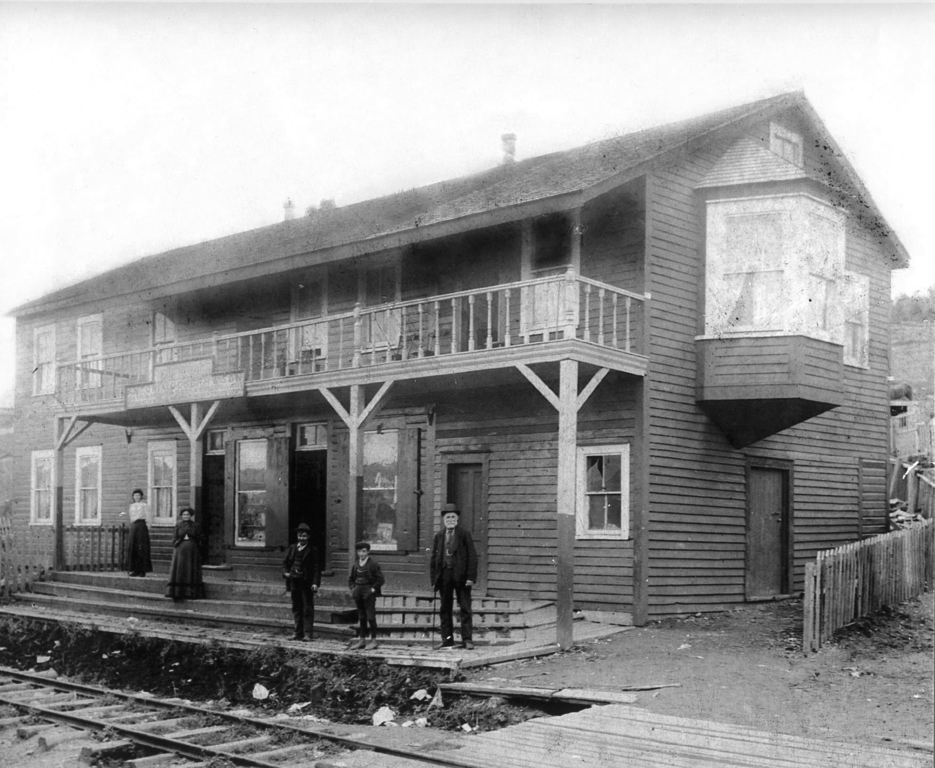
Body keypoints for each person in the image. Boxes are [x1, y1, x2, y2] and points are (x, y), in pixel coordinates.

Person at [429, 503, 478, 650]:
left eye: (453, 517)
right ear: (444, 519)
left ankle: (467, 640)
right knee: (445, 609)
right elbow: (434, 559)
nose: (450, 519)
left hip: (462, 578)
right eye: (447, 517)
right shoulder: (438, 536)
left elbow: (472, 557)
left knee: (465, 608)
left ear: (457, 519)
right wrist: (434, 579)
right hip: (444, 577)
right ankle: (447, 639)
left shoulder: (464, 534)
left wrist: (470, 577)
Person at [282, 522, 322, 641]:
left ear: (308, 537)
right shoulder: (292, 548)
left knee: (307, 609)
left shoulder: (313, 550)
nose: (301, 538)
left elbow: (316, 569)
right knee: (296, 608)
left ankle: (308, 634)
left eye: (304, 536)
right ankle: (297, 632)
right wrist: (285, 572)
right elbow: (285, 563)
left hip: (307, 583)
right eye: (300, 535)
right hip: (294, 582)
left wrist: (315, 583)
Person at [347, 541, 384, 650]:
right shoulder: (356, 564)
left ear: (368, 552)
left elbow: (380, 579)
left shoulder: (373, 564)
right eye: (359, 551)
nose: (361, 554)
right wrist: (353, 589)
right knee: (362, 617)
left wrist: (372, 590)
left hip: (368, 593)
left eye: (364, 551)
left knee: (371, 617)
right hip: (358, 592)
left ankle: (374, 641)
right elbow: (351, 579)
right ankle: (362, 641)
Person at [165, 507, 205, 600]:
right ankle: (178, 592)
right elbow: (174, 537)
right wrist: (176, 543)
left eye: (187, 515)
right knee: (180, 568)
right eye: (184, 515)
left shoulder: (195, 525)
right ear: (181, 516)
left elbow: (200, 537)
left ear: (190, 516)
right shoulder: (178, 525)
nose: (186, 516)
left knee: (190, 568)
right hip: (180, 549)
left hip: (192, 549)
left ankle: (190, 593)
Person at [121, 488, 153, 577]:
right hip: (134, 527)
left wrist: (146, 528)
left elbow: (149, 517)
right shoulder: (132, 506)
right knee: (134, 548)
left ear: (141, 496)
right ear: (133, 497)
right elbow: (132, 518)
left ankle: (142, 570)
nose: (137, 497)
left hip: (142, 526)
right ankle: (135, 570)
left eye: (138, 495)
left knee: (141, 548)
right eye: (135, 495)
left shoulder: (145, 505)